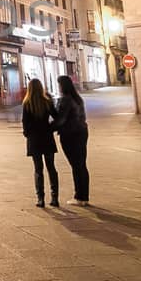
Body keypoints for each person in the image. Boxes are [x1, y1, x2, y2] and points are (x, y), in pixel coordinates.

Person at [21, 78, 59, 208]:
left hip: (34, 139)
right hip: (47, 138)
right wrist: (50, 128)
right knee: (51, 168)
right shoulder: (47, 102)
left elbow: (25, 123)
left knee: (38, 169)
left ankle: (40, 199)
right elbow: (57, 117)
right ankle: (54, 198)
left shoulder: (27, 103)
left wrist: (28, 134)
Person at [54, 76, 90, 206]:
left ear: (62, 86)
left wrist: (47, 129)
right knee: (81, 164)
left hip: (70, 134)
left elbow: (60, 120)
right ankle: (84, 196)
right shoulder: (78, 98)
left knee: (76, 165)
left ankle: (79, 196)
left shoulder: (65, 100)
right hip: (82, 132)